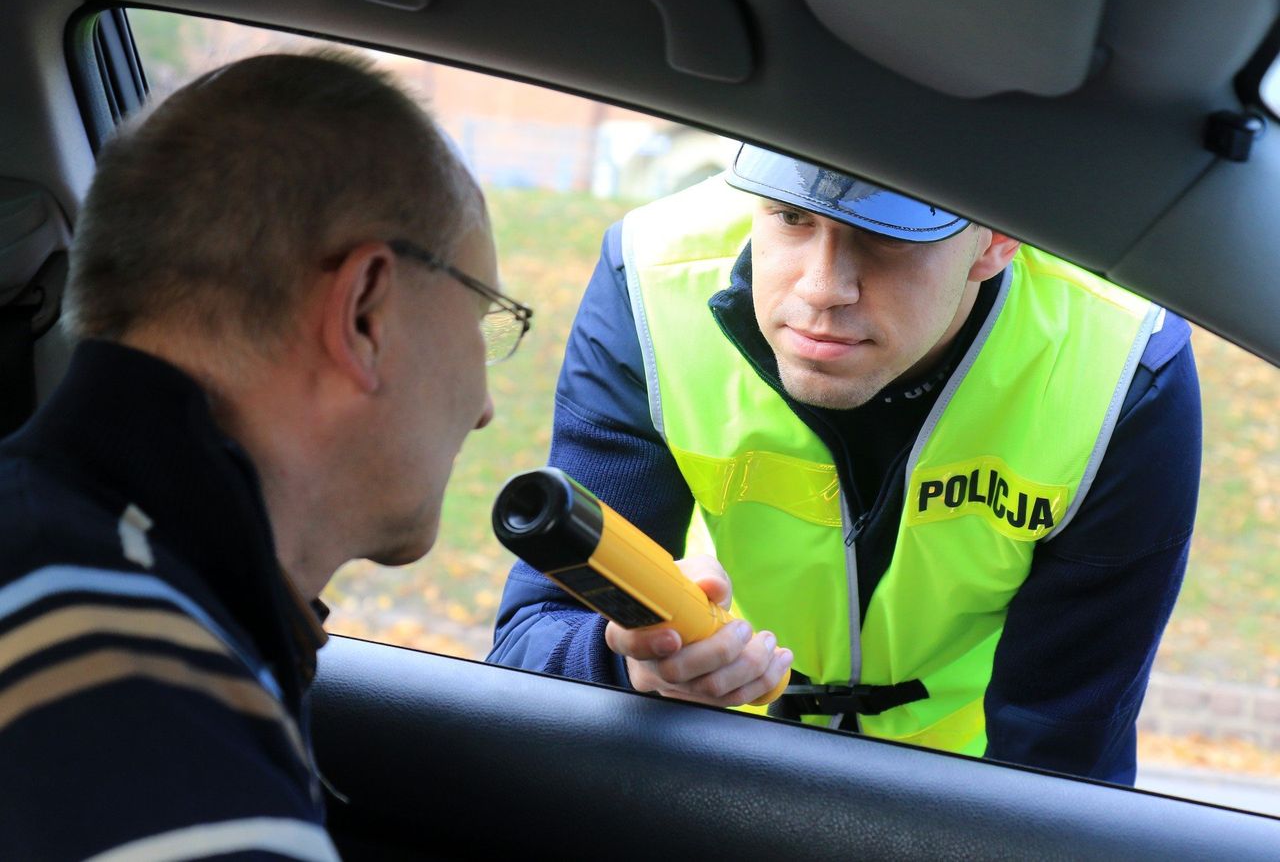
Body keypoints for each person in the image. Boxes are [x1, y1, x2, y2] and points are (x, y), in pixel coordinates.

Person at [488, 144, 1200, 785]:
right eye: (792, 219)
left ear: (997, 238)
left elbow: (1065, 756)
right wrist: (631, 662)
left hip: (961, 789)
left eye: (888, 238)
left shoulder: (1121, 361)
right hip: (719, 767)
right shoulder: (650, 281)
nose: (822, 287)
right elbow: (530, 641)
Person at [0, 52, 528, 859]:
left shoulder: (57, 565)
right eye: (483, 321)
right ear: (364, 314)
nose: (486, 408)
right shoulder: (143, 718)